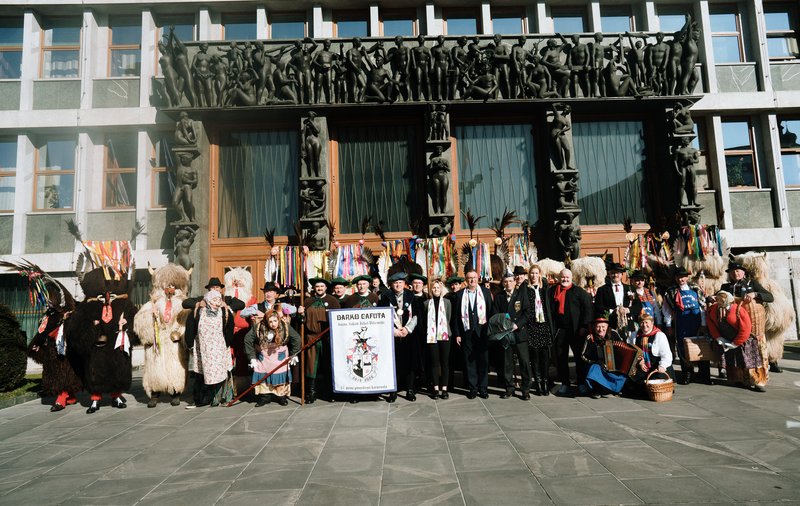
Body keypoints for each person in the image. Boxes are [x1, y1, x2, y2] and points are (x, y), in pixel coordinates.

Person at [133, 264, 191, 408]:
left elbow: (186, 321)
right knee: (155, 367)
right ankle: (154, 394)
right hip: (157, 342)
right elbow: (140, 322)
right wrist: (150, 323)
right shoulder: (151, 304)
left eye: (173, 286)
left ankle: (175, 393)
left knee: (176, 366)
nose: (169, 289)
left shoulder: (183, 304)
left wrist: (179, 332)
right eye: (166, 286)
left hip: (174, 341)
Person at [27, 281, 81, 412]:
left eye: (50, 297)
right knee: (56, 372)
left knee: (63, 373)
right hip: (51, 348)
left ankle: (61, 399)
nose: (48, 301)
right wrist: (36, 344)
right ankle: (71, 396)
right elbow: (42, 331)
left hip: (65, 347)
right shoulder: (49, 313)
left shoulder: (70, 311)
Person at [720, 262, 778, 372]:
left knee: (752, 350)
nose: (735, 273)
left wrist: (755, 294)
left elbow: (770, 297)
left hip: (751, 323)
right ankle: (738, 377)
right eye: (732, 271)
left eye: (737, 271)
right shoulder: (725, 287)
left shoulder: (752, 283)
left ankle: (756, 376)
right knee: (734, 351)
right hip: (732, 324)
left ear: (743, 272)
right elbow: (718, 297)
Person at [707, 291, 768, 392]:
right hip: (727, 340)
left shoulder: (738, 310)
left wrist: (735, 343)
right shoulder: (713, 310)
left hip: (743, 340)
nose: (721, 304)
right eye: (719, 301)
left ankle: (757, 382)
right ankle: (737, 380)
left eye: (723, 301)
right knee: (732, 362)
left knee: (749, 362)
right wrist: (718, 338)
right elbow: (711, 324)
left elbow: (746, 328)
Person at [184, 289, 236, 406]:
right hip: (203, 350)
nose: (216, 302)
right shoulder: (198, 312)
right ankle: (203, 398)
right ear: (207, 300)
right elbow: (190, 328)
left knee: (221, 373)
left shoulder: (224, 312)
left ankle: (220, 397)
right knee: (203, 374)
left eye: (218, 299)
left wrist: (226, 344)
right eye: (214, 299)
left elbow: (229, 328)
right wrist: (190, 345)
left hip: (219, 349)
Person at [451, 268, 495, 399]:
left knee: (483, 361)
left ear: (478, 279)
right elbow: (456, 317)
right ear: (466, 280)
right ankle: (473, 388)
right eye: (470, 278)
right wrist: (457, 334)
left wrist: (490, 331)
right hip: (467, 332)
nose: (472, 280)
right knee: (469, 363)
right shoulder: (459, 295)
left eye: (474, 278)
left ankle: (483, 388)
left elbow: (491, 313)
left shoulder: (486, 293)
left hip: (482, 333)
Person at [548, 268, 592, 396]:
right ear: (559, 278)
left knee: (579, 357)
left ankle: (582, 383)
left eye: (567, 277)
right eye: (563, 277)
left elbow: (588, 309)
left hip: (576, 330)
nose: (565, 279)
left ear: (571, 278)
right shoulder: (553, 291)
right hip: (560, 330)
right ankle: (565, 384)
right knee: (561, 358)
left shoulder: (579, 292)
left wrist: (584, 326)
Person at [245, 308, 301, 406]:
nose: (273, 324)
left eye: (275, 321)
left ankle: (281, 396)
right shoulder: (259, 327)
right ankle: (264, 397)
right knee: (263, 375)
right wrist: (252, 357)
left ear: (278, 320)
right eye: (270, 321)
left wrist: (294, 354)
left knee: (280, 375)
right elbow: (248, 340)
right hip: (264, 356)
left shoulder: (285, 327)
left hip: (279, 356)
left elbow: (296, 339)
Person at [662, 267, 708, 385]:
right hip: (681, 323)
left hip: (697, 322)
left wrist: (703, 324)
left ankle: (704, 375)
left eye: (683, 277)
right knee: (683, 348)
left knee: (701, 347)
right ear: (675, 278)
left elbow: (703, 307)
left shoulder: (696, 289)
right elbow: (666, 310)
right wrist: (668, 325)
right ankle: (688, 373)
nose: (681, 279)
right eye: (678, 277)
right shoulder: (671, 291)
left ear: (687, 277)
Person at [379, 272, 420, 402]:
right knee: (393, 364)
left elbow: (416, 316)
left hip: (408, 335)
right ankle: (393, 391)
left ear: (404, 284)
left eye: (400, 282)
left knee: (410, 364)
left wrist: (407, 329)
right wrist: (393, 331)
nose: (398, 285)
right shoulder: (385, 297)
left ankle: (410, 390)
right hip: (393, 336)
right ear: (391, 284)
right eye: (395, 283)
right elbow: (382, 317)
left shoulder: (411, 296)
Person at [494, 272, 533, 400]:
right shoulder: (499, 296)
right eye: (506, 281)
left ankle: (525, 389)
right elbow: (495, 314)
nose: (508, 283)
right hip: (506, 333)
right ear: (503, 283)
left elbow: (527, 313)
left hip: (519, 332)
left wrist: (517, 324)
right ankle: (509, 388)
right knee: (507, 362)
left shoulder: (521, 295)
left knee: (525, 362)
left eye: (510, 281)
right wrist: (504, 325)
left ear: (515, 282)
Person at [302, 278, 340, 403]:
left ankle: (330, 393)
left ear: (326, 288)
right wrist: (300, 313)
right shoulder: (308, 301)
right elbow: (301, 320)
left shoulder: (332, 301)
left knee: (328, 364)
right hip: (311, 337)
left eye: (322, 286)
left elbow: (338, 319)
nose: (319, 288)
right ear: (314, 288)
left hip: (327, 337)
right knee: (311, 366)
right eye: (317, 286)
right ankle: (311, 393)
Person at [628, 312, 674, 396]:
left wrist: (662, 366)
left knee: (656, 385)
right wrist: (638, 361)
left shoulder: (660, 335)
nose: (644, 325)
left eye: (646, 322)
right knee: (631, 385)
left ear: (652, 323)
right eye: (642, 322)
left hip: (657, 367)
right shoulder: (635, 336)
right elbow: (631, 353)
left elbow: (667, 354)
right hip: (643, 368)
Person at [525, 264, 553, 396]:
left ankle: (545, 382)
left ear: (540, 275)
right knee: (534, 357)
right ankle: (537, 382)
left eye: (536, 273)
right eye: (532, 273)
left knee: (544, 357)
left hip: (544, 326)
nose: (534, 276)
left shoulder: (545, 289)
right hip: (532, 327)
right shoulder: (526, 289)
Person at [582, 316, 627, 398]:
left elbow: (623, 347)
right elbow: (583, 356)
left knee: (624, 371)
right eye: (598, 326)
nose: (600, 329)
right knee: (594, 368)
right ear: (594, 327)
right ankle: (596, 390)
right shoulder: (590, 337)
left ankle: (611, 390)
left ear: (607, 327)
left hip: (614, 366)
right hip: (598, 365)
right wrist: (596, 362)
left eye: (603, 327)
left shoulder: (614, 333)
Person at [425, 279, 452, 399]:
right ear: (431, 290)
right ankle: (436, 388)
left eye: (438, 288)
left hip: (445, 335)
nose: (436, 290)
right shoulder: (426, 303)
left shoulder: (447, 302)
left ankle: (444, 389)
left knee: (445, 363)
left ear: (441, 290)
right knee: (434, 363)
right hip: (432, 336)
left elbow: (449, 317)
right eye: (434, 288)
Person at [593, 263, 633, 332]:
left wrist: (627, 310)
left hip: (628, 324)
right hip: (611, 324)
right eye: (613, 273)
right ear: (609, 274)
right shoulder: (602, 289)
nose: (615, 275)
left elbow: (638, 306)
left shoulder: (630, 288)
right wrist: (611, 311)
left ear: (621, 274)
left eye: (617, 273)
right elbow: (598, 306)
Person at [629, 270, 662, 334]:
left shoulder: (650, 293)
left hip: (650, 324)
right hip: (637, 325)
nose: (640, 282)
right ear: (632, 281)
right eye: (637, 280)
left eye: (642, 280)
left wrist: (659, 323)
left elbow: (656, 310)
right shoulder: (630, 293)